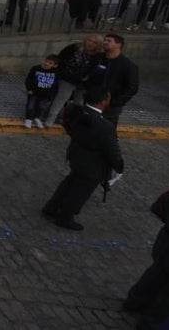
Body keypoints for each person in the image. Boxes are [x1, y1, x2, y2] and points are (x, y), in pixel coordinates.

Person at [41, 87, 124, 231]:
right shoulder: (105, 125)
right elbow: (112, 150)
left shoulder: (76, 111)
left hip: (76, 154)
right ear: (103, 102)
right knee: (80, 192)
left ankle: (51, 207)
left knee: (70, 183)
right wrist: (119, 166)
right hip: (93, 164)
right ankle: (65, 217)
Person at [124, 188, 169, 330]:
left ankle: (135, 301)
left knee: (157, 272)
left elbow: (159, 206)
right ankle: (150, 323)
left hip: (165, 240)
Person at [44, 34, 106, 126]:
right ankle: (50, 119)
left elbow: (97, 69)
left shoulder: (99, 56)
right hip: (68, 78)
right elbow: (61, 59)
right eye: (89, 40)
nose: (90, 43)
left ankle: (73, 119)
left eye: (94, 42)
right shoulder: (74, 48)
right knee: (61, 98)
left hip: (83, 82)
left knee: (79, 102)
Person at [89, 33, 139, 126]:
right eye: (105, 40)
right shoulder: (97, 58)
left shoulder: (128, 66)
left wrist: (115, 102)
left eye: (109, 41)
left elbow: (132, 88)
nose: (105, 42)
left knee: (106, 128)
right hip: (92, 102)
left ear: (119, 45)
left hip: (111, 107)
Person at [23, 54, 61, 129]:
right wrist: (29, 89)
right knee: (30, 106)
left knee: (41, 107)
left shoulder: (55, 72)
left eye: (50, 63)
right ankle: (28, 119)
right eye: (46, 61)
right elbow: (28, 79)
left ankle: (37, 118)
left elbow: (55, 84)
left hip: (46, 94)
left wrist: (52, 94)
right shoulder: (36, 69)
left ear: (55, 65)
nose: (46, 63)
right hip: (34, 92)